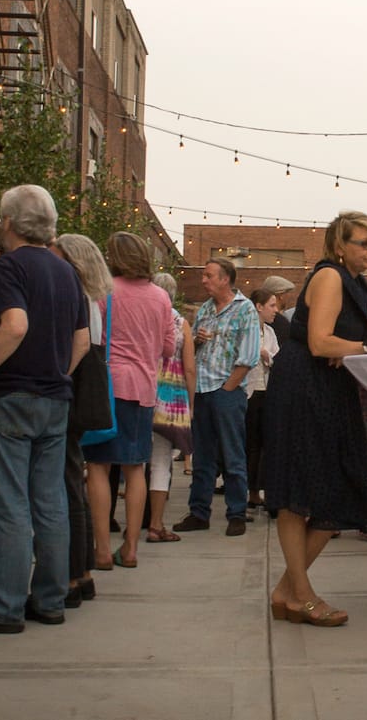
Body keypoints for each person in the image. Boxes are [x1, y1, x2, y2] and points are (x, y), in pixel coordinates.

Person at [0, 184, 88, 635]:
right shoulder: (67, 272)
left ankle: (4, 607)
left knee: (8, 504)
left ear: (7, 223)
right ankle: (49, 599)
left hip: (12, 397)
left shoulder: (9, 267)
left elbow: (14, 325)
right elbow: (82, 340)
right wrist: (55, 371)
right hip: (54, 398)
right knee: (50, 502)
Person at [263, 211, 367, 626]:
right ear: (339, 245)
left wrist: (350, 348)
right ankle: (301, 596)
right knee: (301, 492)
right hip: (305, 390)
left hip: (330, 392)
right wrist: (357, 349)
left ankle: (286, 591)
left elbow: (361, 338)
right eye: (364, 242)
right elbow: (319, 341)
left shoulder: (356, 283)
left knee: (334, 494)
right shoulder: (330, 276)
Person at [83, 232, 175, 569]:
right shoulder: (161, 297)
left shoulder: (103, 293)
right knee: (136, 467)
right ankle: (131, 548)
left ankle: (102, 550)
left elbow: (92, 337)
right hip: (145, 389)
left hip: (108, 387)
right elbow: (168, 347)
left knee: (97, 466)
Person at [174, 257, 260, 536]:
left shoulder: (245, 309)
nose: (203, 280)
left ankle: (236, 513)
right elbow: (195, 350)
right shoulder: (206, 309)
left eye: (209, 275)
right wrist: (197, 340)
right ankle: (199, 512)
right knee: (202, 456)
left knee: (233, 454)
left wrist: (229, 388)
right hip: (201, 389)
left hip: (226, 392)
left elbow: (248, 356)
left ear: (225, 279)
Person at [53, 232, 111, 606]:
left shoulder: (76, 299)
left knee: (67, 485)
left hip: (68, 394)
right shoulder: (93, 300)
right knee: (73, 480)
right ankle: (82, 573)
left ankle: (74, 576)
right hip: (81, 396)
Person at [145, 271, 194, 542]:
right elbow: (189, 367)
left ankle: (134, 522)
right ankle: (156, 524)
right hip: (171, 396)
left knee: (136, 461)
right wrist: (192, 404)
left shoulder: (144, 315)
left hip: (141, 388)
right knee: (161, 463)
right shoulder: (180, 322)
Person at [245, 287, 281, 509]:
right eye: (272, 305)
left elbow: (276, 356)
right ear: (259, 307)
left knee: (267, 443)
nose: (275, 310)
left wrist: (266, 356)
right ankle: (251, 490)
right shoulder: (247, 330)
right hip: (249, 391)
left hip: (267, 391)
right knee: (251, 444)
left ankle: (265, 488)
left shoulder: (270, 332)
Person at [259, 274, 296, 346]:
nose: (289, 296)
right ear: (281, 296)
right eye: (287, 293)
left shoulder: (258, 317)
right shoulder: (281, 323)